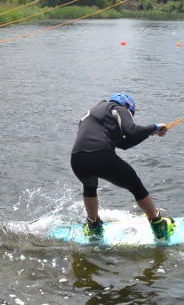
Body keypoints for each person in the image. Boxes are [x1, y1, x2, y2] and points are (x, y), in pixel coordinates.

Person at [70, 92, 174, 241]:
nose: (129, 116)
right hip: (100, 155)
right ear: (127, 106)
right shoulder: (119, 108)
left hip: (77, 159)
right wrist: (154, 126)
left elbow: (123, 144)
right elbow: (131, 131)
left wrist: (149, 133)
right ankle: (159, 226)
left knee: (89, 187)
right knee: (136, 186)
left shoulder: (93, 112)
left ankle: (94, 229)